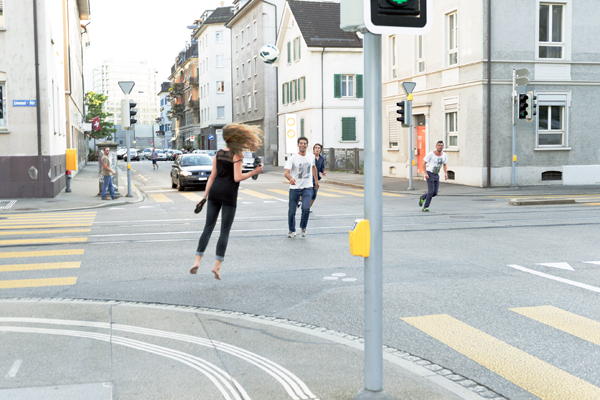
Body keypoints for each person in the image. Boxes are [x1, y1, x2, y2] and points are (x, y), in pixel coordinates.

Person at [189, 124, 263, 280]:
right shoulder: (237, 155)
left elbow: (212, 176)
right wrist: (254, 172)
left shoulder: (218, 153)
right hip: (229, 194)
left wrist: (204, 196)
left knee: (208, 227)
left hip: (215, 192)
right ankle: (217, 267)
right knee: (224, 230)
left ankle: (197, 261)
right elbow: (237, 178)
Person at [285, 137, 319, 238]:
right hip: (294, 188)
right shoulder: (293, 158)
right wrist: (290, 178)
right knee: (292, 211)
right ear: (298, 145)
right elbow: (286, 172)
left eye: (305, 143)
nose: (303, 145)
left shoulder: (311, 157)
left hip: (307, 187)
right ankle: (292, 230)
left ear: (307, 145)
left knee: (306, 208)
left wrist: (316, 180)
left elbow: (313, 167)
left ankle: (303, 227)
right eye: (301, 143)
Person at [419, 141, 448, 212]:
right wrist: (425, 173)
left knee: (435, 193)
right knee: (431, 191)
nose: (440, 146)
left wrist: (445, 173)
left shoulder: (444, 155)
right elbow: (423, 163)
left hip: (436, 175)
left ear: (443, 147)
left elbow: (444, 164)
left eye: (441, 145)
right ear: (436, 146)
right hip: (430, 174)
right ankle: (425, 207)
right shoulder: (431, 154)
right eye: (439, 145)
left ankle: (423, 197)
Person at [309, 143, 326, 213]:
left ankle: (308, 208)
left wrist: (323, 171)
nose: (317, 149)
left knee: (314, 195)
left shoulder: (322, 158)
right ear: (313, 149)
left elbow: (322, 167)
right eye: (316, 148)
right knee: (308, 193)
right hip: (309, 178)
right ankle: (300, 201)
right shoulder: (310, 157)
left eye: (319, 148)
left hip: (316, 178)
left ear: (320, 150)